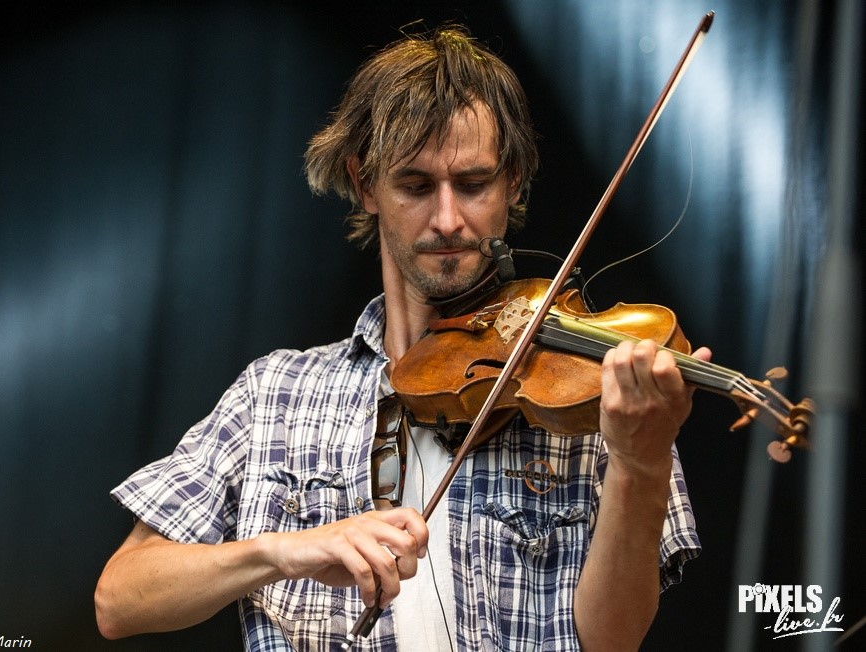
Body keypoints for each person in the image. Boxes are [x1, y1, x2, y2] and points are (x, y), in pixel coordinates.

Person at [95, 25, 710, 651]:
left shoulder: (601, 404)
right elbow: (120, 598)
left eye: (473, 184)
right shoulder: (274, 394)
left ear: (514, 181)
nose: (447, 219)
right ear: (366, 184)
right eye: (416, 187)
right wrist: (282, 551)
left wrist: (640, 462)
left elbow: (612, 640)